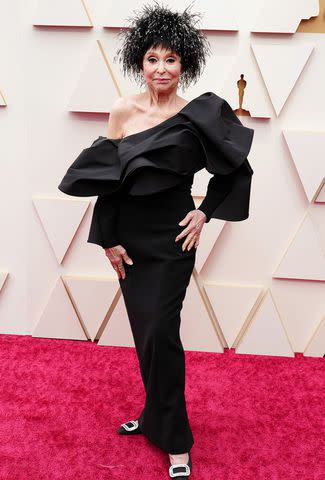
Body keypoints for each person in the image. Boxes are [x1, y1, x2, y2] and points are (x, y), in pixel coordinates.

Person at [58, 3, 254, 478]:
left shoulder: (202, 113)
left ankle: (176, 439)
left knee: (162, 335)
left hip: (171, 239)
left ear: (183, 62)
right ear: (139, 63)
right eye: (151, 59)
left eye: (170, 59)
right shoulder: (123, 110)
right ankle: (152, 417)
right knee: (146, 337)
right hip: (129, 239)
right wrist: (108, 240)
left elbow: (238, 171)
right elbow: (109, 181)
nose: (161, 68)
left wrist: (204, 212)